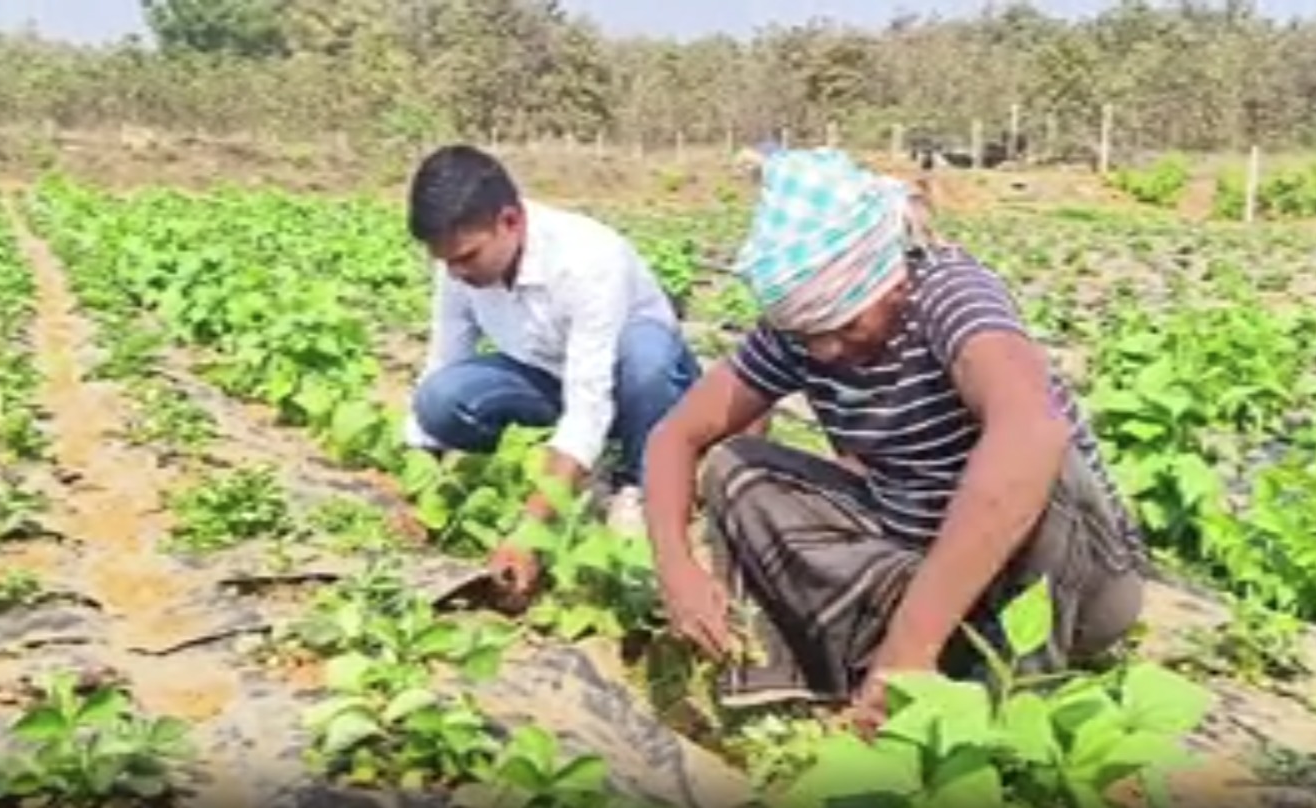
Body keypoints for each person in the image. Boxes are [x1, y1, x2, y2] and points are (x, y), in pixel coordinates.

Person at [640, 148, 1148, 730]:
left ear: (891, 280)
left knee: (1040, 451)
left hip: (1068, 589)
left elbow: (1031, 432)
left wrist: (909, 646)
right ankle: (854, 678)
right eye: (811, 337)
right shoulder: (799, 333)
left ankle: (998, 690)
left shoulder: (949, 293)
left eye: (847, 325)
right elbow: (675, 436)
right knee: (737, 468)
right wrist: (676, 570)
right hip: (931, 574)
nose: (828, 350)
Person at [404, 144, 700, 601]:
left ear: (510, 221)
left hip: (640, 387)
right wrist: (422, 487)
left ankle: (635, 484)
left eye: (467, 257)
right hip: (550, 379)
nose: (456, 272)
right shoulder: (458, 267)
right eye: (445, 261)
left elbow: (590, 401)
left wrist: (530, 533)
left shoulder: (587, 259)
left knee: (647, 352)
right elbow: (445, 356)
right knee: (440, 400)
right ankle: (571, 470)